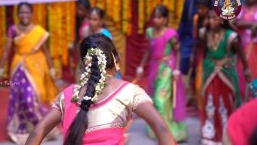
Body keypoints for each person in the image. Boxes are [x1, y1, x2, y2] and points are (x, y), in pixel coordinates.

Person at [25, 34, 176, 145]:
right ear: (116, 59)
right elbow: (161, 128)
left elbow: (38, 131)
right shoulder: (129, 92)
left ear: (84, 65)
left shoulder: (68, 95)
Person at [0, 2, 59, 144]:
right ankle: (22, 130)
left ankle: (44, 127)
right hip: (18, 67)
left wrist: (52, 70)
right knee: (19, 98)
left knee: (31, 99)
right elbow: (6, 51)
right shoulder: (13, 29)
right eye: (21, 12)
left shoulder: (38, 31)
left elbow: (46, 52)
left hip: (36, 67)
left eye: (27, 12)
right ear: (17, 14)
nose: (24, 15)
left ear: (32, 14)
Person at [199, 10, 250, 144]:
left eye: (214, 19)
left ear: (222, 20)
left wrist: (246, 70)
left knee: (226, 103)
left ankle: (227, 136)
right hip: (209, 72)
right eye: (209, 18)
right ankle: (210, 137)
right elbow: (203, 53)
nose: (210, 21)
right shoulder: (205, 33)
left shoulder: (231, 37)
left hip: (226, 74)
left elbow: (242, 56)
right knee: (210, 102)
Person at [136, 5, 187, 142]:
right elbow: (148, 50)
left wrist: (177, 69)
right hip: (154, 67)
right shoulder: (150, 32)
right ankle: (158, 128)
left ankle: (166, 131)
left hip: (167, 68)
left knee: (161, 100)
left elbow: (178, 51)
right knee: (154, 98)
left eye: (159, 17)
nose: (156, 20)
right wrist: (141, 66)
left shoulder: (170, 34)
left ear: (165, 19)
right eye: (154, 17)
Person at [178, 0, 210, 104]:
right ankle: (188, 94)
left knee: (199, 67)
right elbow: (183, 21)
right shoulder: (189, 3)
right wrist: (179, 38)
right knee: (185, 66)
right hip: (188, 39)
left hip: (203, 41)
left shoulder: (210, 3)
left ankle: (199, 95)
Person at [233, 0, 257, 100]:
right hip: (243, 47)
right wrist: (253, 25)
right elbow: (237, 23)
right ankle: (244, 99)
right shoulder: (240, 9)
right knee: (243, 72)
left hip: (255, 48)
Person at [192, 0, 212, 110]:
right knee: (199, 81)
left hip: (211, 52)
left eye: (202, 9)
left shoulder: (213, 19)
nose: (200, 11)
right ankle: (202, 107)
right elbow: (195, 37)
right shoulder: (196, 18)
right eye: (198, 8)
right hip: (200, 52)